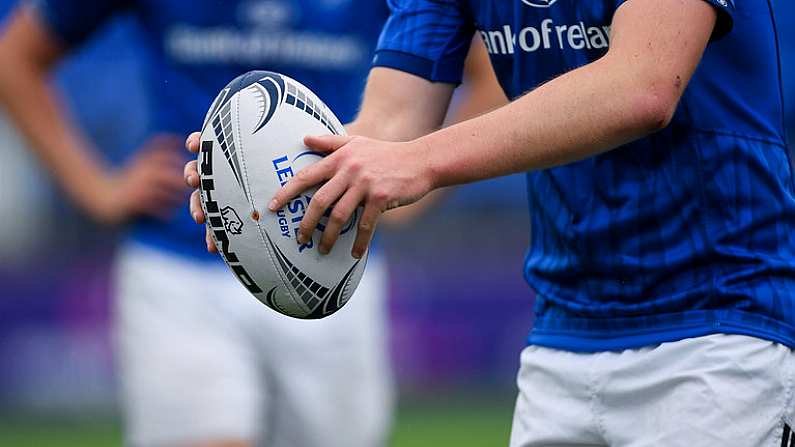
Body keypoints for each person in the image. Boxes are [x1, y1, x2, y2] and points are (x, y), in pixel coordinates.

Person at [188, 0, 795, 445]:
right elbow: (390, 121)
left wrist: (418, 163)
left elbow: (641, 85)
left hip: (721, 326)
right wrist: (271, 193)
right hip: (564, 337)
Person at [0, 1, 394, 446]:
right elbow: (16, 57)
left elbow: (475, 61)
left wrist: (407, 185)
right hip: (180, 269)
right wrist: (98, 190)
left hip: (327, 269)